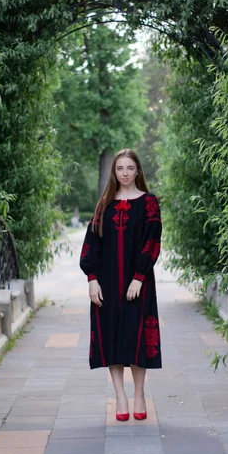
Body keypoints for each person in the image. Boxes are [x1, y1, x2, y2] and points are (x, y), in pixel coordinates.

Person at [79, 148, 162, 421]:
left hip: (138, 283)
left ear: (138, 170)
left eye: (129, 168)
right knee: (111, 338)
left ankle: (139, 394)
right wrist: (92, 280)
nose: (124, 173)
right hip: (107, 284)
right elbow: (91, 243)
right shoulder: (105, 204)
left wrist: (139, 276)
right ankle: (121, 397)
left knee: (136, 338)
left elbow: (152, 241)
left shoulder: (149, 202)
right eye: (119, 168)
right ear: (114, 172)